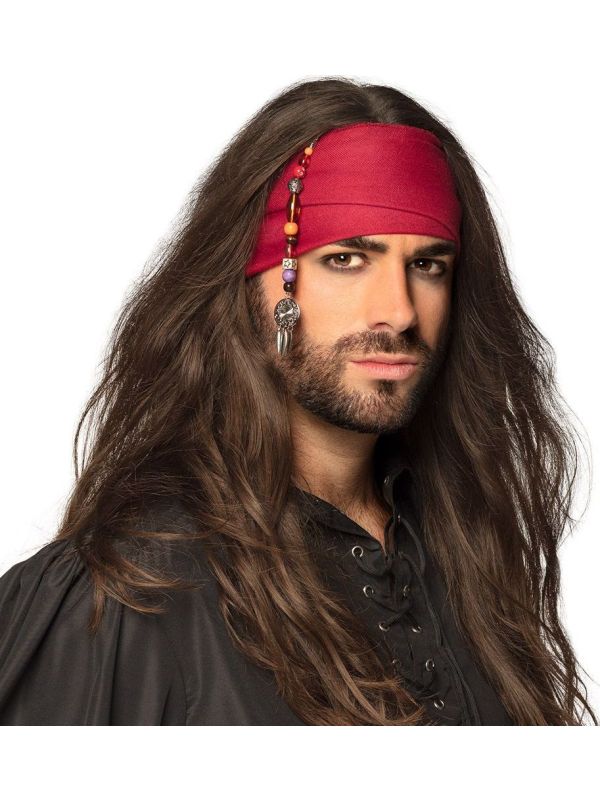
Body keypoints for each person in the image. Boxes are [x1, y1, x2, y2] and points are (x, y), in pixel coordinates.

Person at [0, 77, 595, 726]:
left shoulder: (463, 556)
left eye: (427, 265)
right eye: (346, 259)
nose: (398, 312)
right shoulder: (129, 592)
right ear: (253, 282)